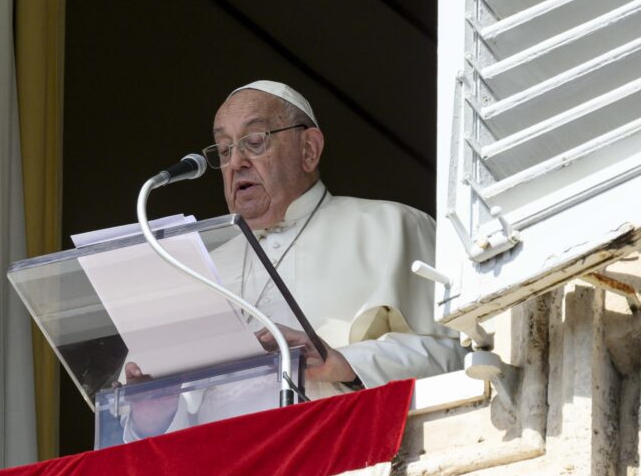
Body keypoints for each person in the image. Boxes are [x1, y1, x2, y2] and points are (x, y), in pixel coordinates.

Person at [124, 80, 465, 439]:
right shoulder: (196, 269)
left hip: (341, 454)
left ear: (309, 149)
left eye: (254, 142)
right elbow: (164, 431)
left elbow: (458, 358)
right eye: (224, 151)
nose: (236, 162)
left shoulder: (394, 226)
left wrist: (343, 363)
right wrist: (154, 417)